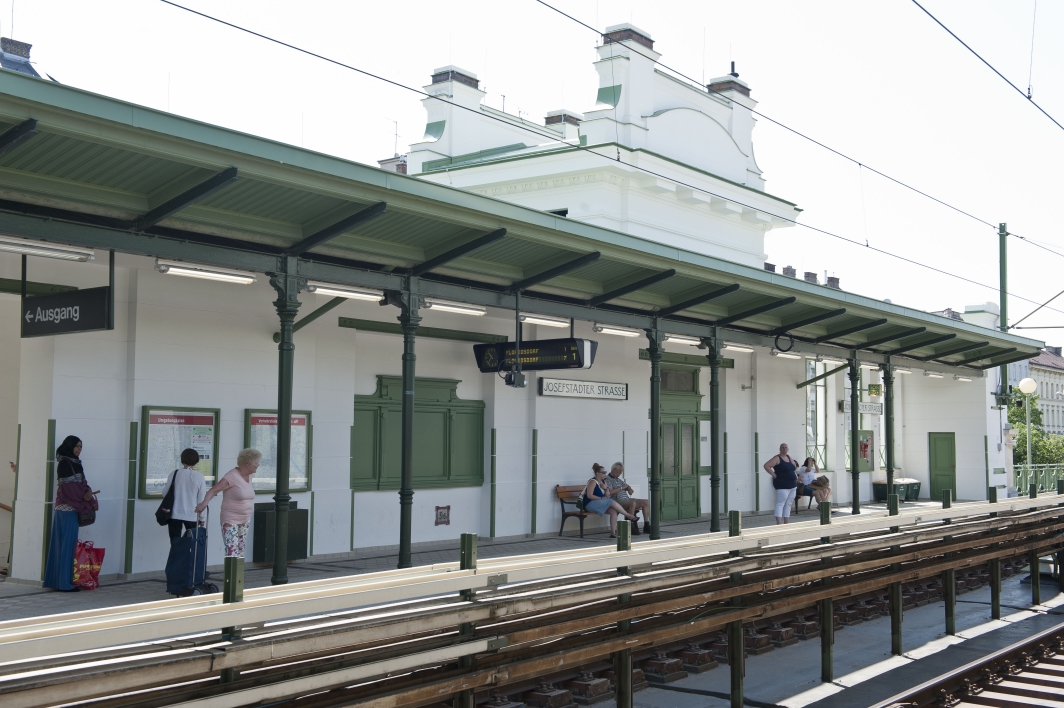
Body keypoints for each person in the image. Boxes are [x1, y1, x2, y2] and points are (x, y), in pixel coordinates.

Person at [43, 436, 97, 592]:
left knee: (59, 546)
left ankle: (56, 581)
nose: (79, 449)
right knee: (67, 547)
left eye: (80, 446)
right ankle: (65, 584)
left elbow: (81, 485)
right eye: (76, 446)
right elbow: (69, 491)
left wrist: (87, 491)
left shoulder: (72, 463)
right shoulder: (66, 464)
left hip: (62, 510)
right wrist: (85, 501)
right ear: (69, 446)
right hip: (69, 510)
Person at [196, 448, 260, 558]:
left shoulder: (249, 475)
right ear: (247, 464)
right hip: (231, 519)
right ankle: (231, 575)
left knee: (240, 552)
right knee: (232, 552)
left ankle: (238, 575)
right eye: (256, 462)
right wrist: (203, 504)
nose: (258, 465)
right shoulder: (232, 476)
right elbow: (213, 490)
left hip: (245, 519)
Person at [584, 463, 639, 538]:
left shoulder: (604, 482)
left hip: (599, 503)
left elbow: (607, 495)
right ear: (597, 473)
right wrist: (601, 498)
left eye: (605, 472)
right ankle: (628, 515)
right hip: (590, 504)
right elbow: (589, 495)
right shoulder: (593, 482)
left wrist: (605, 488)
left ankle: (613, 533)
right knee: (611, 501)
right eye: (603, 472)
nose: (605, 474)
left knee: (613, 511)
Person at [163, 449, 207, 541]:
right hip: (192, 515)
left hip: (174, 514)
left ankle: (177, 556)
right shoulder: (199, 477)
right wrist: (202, 518)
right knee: (192, 544)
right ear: (196, 461)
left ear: (182, 459)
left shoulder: (174, 474)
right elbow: (201, 500)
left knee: (175, 544)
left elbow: (165, 493)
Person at [605, 462, 650, 535]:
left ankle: (646, 524)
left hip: (626, 499)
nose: (620, 473)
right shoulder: (607, 479)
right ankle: (630, 526)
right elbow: (610, 492)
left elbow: (627, 485)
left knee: (645, 502)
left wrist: (629, 489)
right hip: (617, 501)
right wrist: (621, 488)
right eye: (620, 471)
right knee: (632, 503)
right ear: (615, 470)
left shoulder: (618, 480)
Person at [763, 443, 798, 525]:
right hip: (782, 485)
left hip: (792, 485)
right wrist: (773, 474)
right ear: (780, 449)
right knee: (780, 503)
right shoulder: (777, 458)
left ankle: (787, 522)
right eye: (782, 447)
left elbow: (794, 466)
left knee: (788, 504)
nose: (784, 449)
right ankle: (779, 523)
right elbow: (766, 465)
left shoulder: (789, 457)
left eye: (786, 447)